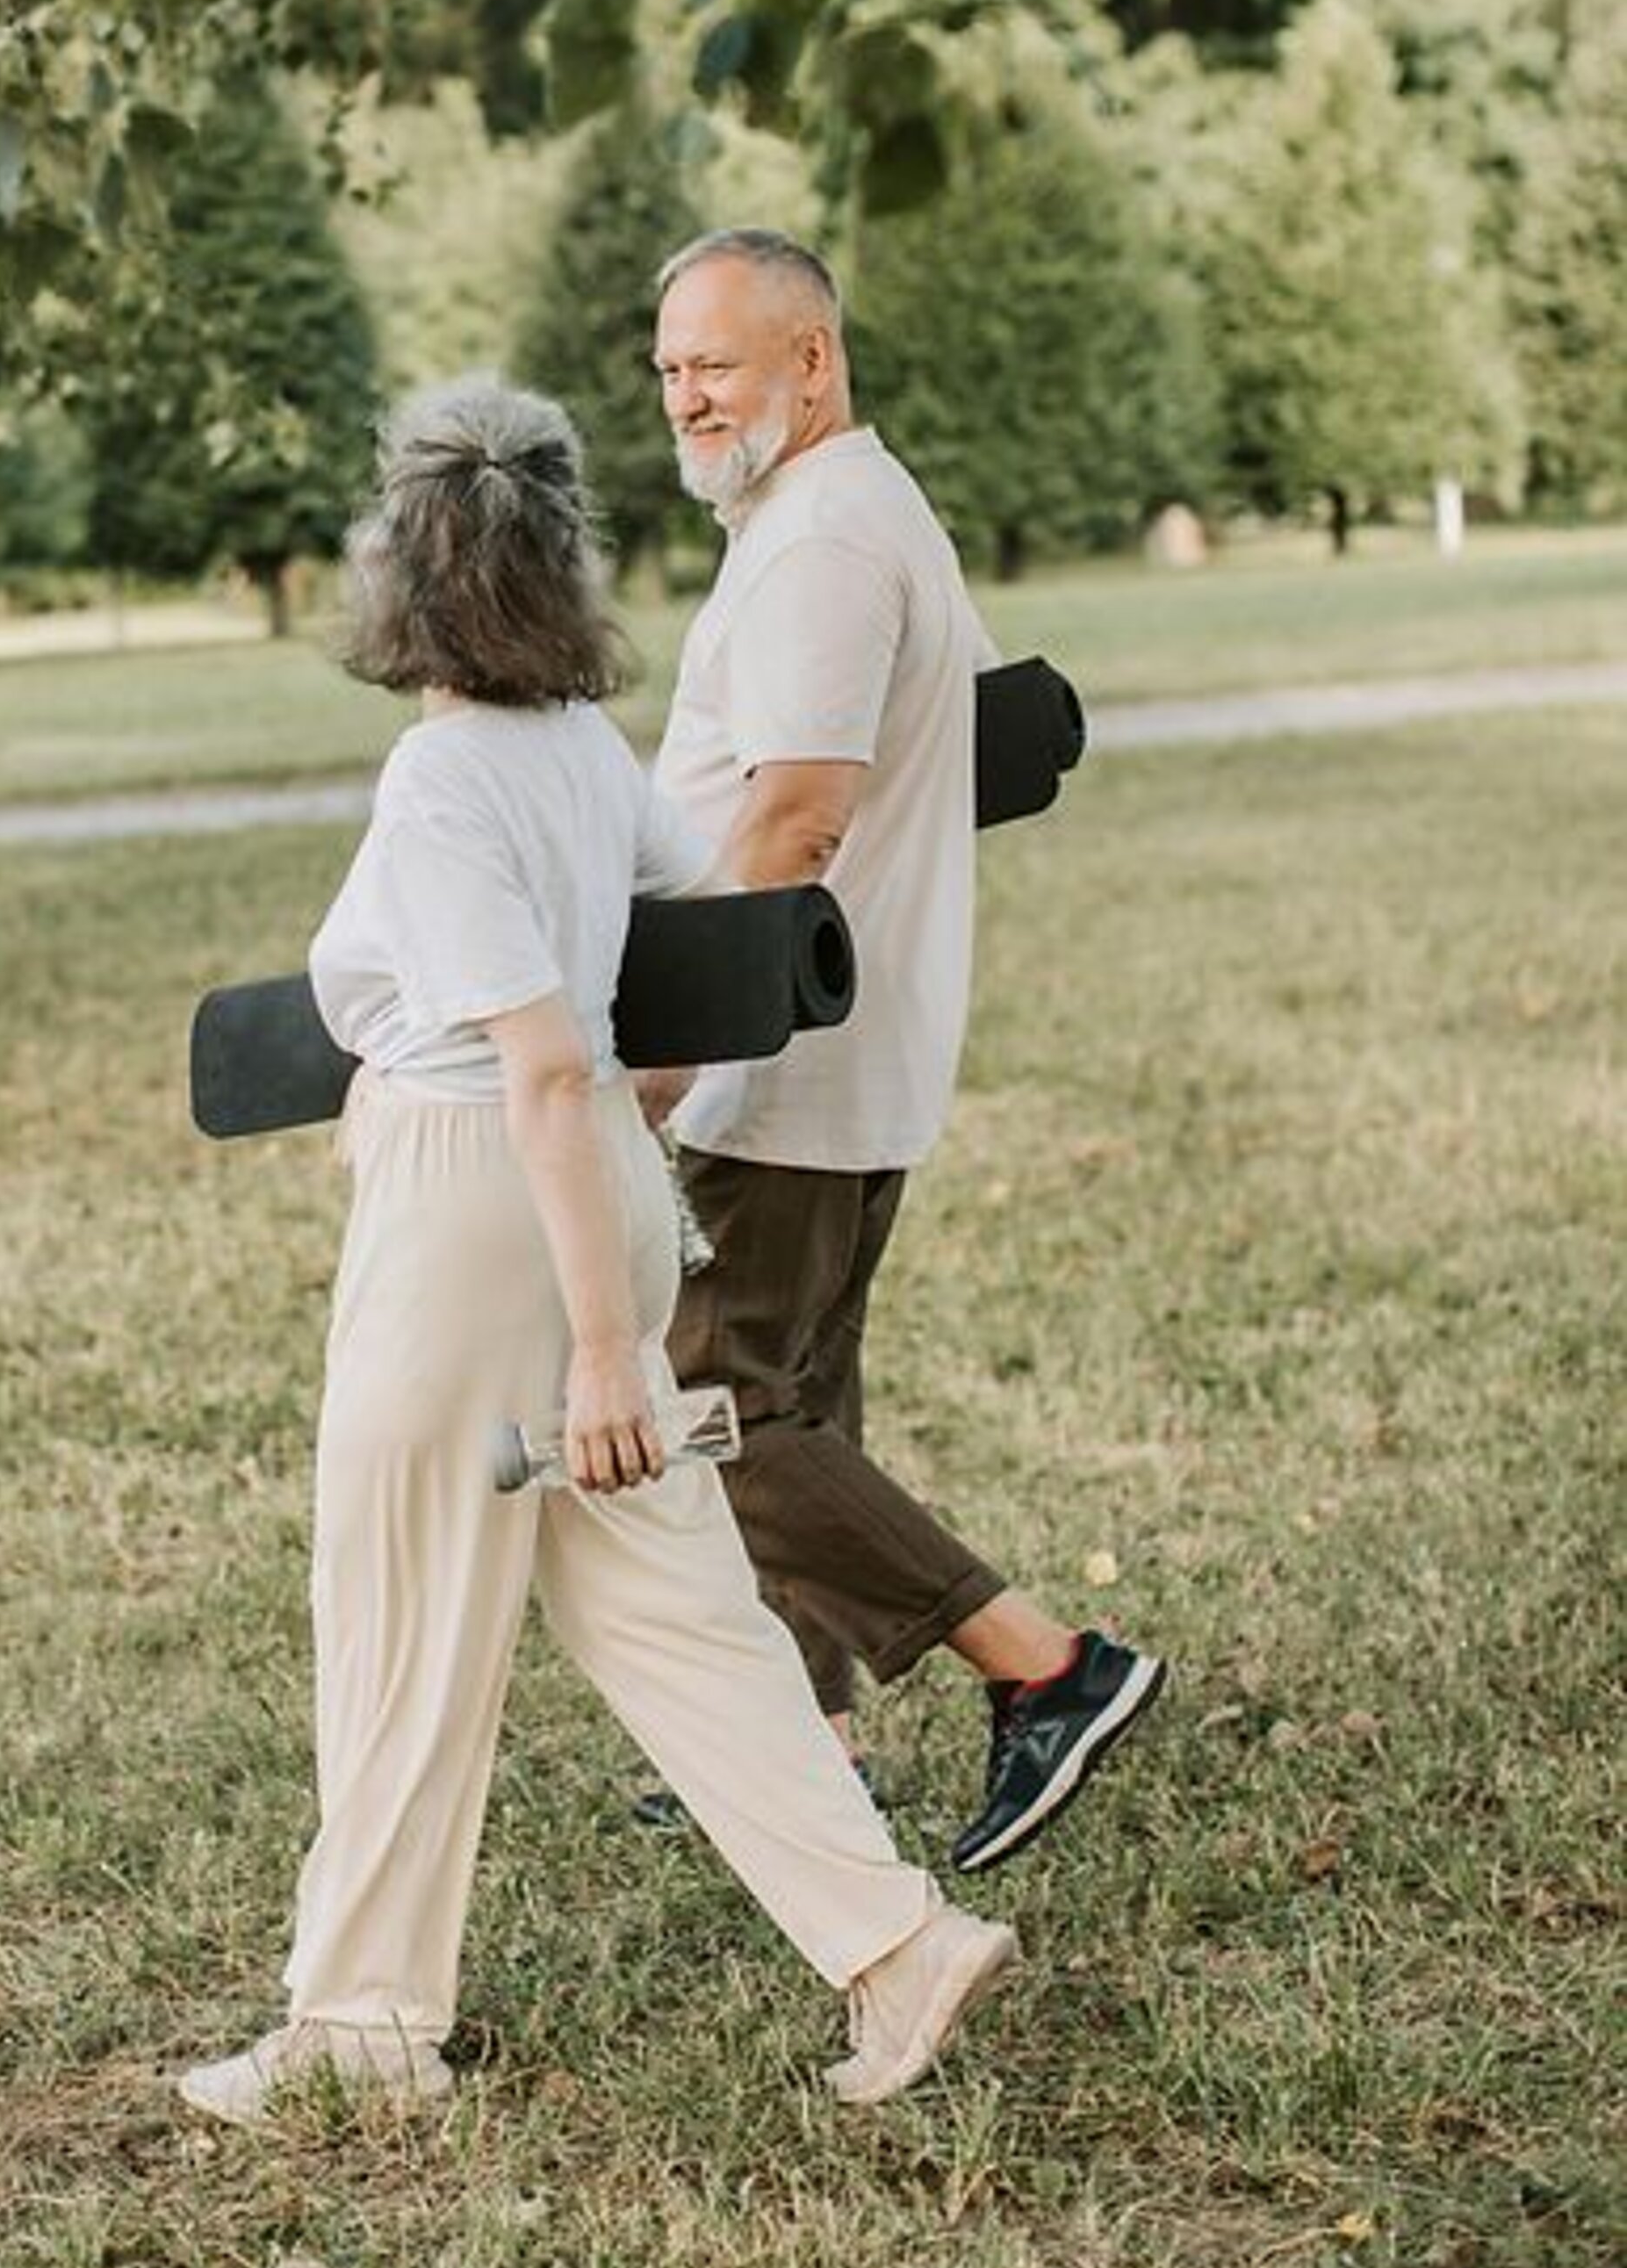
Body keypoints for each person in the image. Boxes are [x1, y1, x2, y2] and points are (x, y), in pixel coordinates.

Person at [177, 376, 1020, 2128]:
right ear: (559, 568)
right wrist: (622, 1229)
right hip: (593, 1209)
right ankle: (896, 1946)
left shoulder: (437, 784)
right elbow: (687, 962)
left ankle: (359, 2028)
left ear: (395, 576)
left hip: (480, 1218)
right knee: (677, 1620)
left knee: (400, 1614)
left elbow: (547, 1062)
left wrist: (590, 1342)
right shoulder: (574, 756)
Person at [643, 231, 1166, 1874]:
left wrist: (658, 1048)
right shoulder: (859, 508)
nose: (684, 396)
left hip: (780, 1053)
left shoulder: (817, 544)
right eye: (667, 370)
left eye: (714, 362)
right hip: (849, 1045)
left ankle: (1045, 1665)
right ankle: (806, 1741)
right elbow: (986, 744)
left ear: (812, 359)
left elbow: (794, 812)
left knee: (704, 1403)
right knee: (793, 1399)